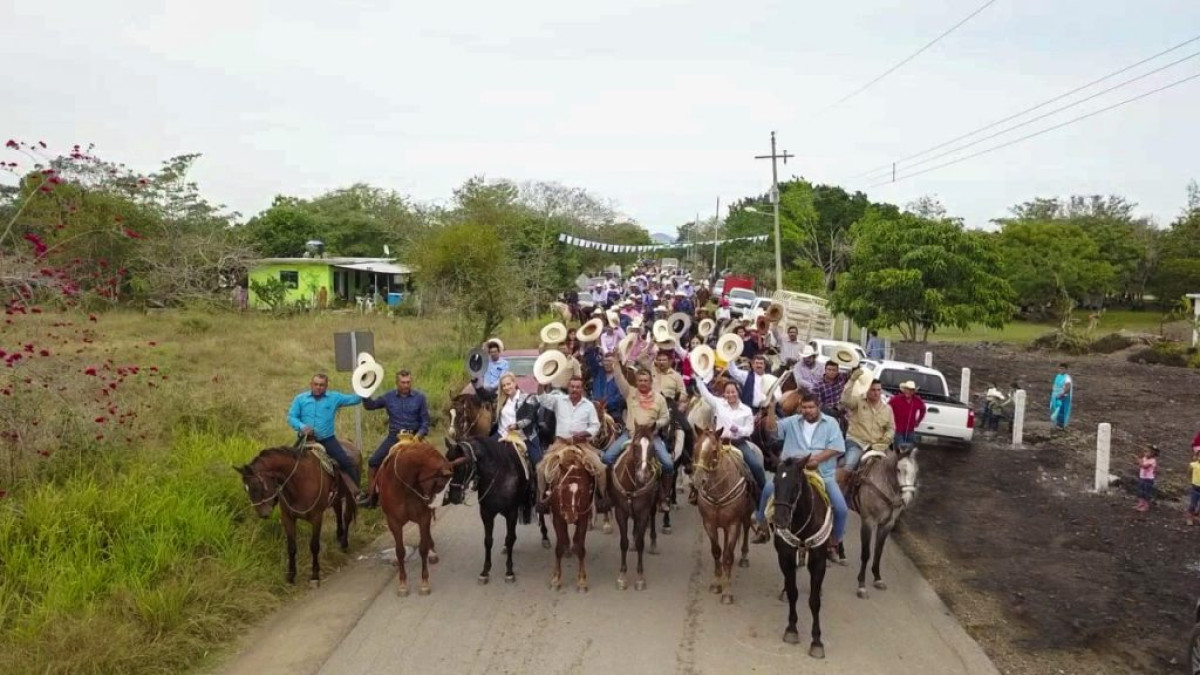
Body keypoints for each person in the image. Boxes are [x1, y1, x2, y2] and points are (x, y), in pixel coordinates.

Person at [758, 392, 848, 555]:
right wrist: (771, 410)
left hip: (821, 472)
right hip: (792, 470)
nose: (808, 411)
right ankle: (762, 526)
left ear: (818, 407)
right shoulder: (792, 421)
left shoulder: (831, 423)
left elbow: (837, 447)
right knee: (767, 490)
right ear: (800, 408)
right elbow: (772, 429)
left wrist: (817, 459)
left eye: (811, 407)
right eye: (804, 407)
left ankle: (834, 543)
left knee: (841, 508)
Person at [602, 365, 673, 511]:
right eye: (640, 380)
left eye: (646, 380)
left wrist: (656, 424)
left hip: (651, 438)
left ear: (650, 382)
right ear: (636, 381)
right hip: (631, 435)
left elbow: (666, 417)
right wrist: (615, 362)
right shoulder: (630, 393)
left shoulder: (659, 399)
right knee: (607, 458)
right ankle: (610, 494)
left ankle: (664, 497)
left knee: (668, 464)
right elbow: (620, 379)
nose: (643, 383)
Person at [358, 370, 430, 507]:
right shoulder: (388, 397)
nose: (406, 385)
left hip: (415, 437)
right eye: (403, 382)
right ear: (397, 383)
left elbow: (425, 421)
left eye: (408, 382)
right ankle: (372, 495)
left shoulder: (420, 398)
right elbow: (370, 406)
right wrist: (364, 390)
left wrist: (419, 434)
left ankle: (432, 493)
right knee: (373, 462)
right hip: (394, 437)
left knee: (433, 462)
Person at [535, 376, 606, 511]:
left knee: (601, 468)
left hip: (582, 444)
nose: (574, 389)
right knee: (540, 468)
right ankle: (542, 499)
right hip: (561, 443)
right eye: (572, 386)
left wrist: (585, 433)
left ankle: (602, 498)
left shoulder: (588, 405)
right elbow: (542, 398)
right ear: (568, 387)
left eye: (578, 387)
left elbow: (595, 426)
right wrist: (541, 384)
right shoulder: (558, 400)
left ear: (582, 388)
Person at [287, 373, 363, 498]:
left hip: (327, 439)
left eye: (322, 385)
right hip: (305, 440)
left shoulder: (334, 397)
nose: (318, 387)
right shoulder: (300, 399)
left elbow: (355, 399)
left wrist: (366, 388)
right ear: (311, 384)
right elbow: (291, 417)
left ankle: (356, 493)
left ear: (326, 386)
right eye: (316, 384)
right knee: (289, 465)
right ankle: (285, 498)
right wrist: (302, 427)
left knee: (346, 462)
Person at [694, 376, 766, 498]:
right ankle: (695, 491)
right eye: (727, 392)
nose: (730, 395)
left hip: (738, 443)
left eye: (733, 392)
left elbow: (750, 429)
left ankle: (764, 495)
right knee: (702, 459)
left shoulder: (746, 410)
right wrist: (698, 378)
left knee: (756, 465)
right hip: (720, 443)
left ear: (738, 392)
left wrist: (739, 430)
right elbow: (705, 393)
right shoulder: (719, 403)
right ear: (724, 394)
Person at [840, 369, 895, 470]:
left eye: (879, 390)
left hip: (878, 446)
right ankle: (840, 483)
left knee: (895, 468)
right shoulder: (858, 402)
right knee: (849, 466)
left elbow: (891, 428)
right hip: (857, 443)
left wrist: (887, 438)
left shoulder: (887, 409)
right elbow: (845, 401)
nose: (876, 393)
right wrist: (852, 381)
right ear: (867, 390)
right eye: (873, 390)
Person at [494, 372, 542, 467]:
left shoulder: (528, 397)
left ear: (515, 383)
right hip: (502, 435)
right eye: (503, 386)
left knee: (538, 464)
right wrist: (476, 381)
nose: (506, 387)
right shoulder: (502, 401)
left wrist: (516, 425)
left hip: (524, 437)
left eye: (508, 384)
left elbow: (529, 418)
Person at [590, 352, 625, 424]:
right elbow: (590, 359)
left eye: (609, 361)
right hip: (595, 410)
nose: (606, 364)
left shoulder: (620, 378)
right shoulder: (598, 372)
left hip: (613, 413)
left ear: (615, 363)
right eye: (605, 361)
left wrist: (605, 405)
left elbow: (620, 397)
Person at [889, 380, 927, 446]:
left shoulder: (917, 400)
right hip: (898, 430)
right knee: (900, 449)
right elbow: (887, 409)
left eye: (911, 390)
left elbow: (923, 409)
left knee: (910, 449)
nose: (908, 391)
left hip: (910, 430)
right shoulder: (896, 399)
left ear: (913, 391)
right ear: (904, 390)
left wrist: (918, 421)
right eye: (907, 389)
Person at [1135, 445, 1158, 512]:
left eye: (1147, 452)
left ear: (1153, 453)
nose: (1145, 453)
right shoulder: (1144, 458)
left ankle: (1146, 505)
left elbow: (1145, 466)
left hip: (1148, 479)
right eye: (1145, 451)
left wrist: (1140, 462)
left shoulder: (1153, 460)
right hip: (1142, 477)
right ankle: (1140, 503)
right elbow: (1139, 463)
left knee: (1146, 492)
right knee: (1141, 491)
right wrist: (1137, 461)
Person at [1050, 362, 1073, 429]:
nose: (1061, 370)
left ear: (1066, 369)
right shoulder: (1058, 376)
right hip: (1056, 396)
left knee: (1061, 410)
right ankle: (1056, 423)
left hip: (1063, 396)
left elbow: (1068, 386)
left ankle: (1061, 424)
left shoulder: (1067, 377)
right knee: (1055, 408)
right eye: (1060, 368)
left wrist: (1063, 394)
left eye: (1062, 368)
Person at [1188, 446, 1200, 526]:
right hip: (1195, 487)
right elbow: (1189, 473)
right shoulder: (1193, 465)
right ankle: (1190, 518)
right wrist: (1190, 481)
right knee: (1193, 504)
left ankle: (1198, 517)